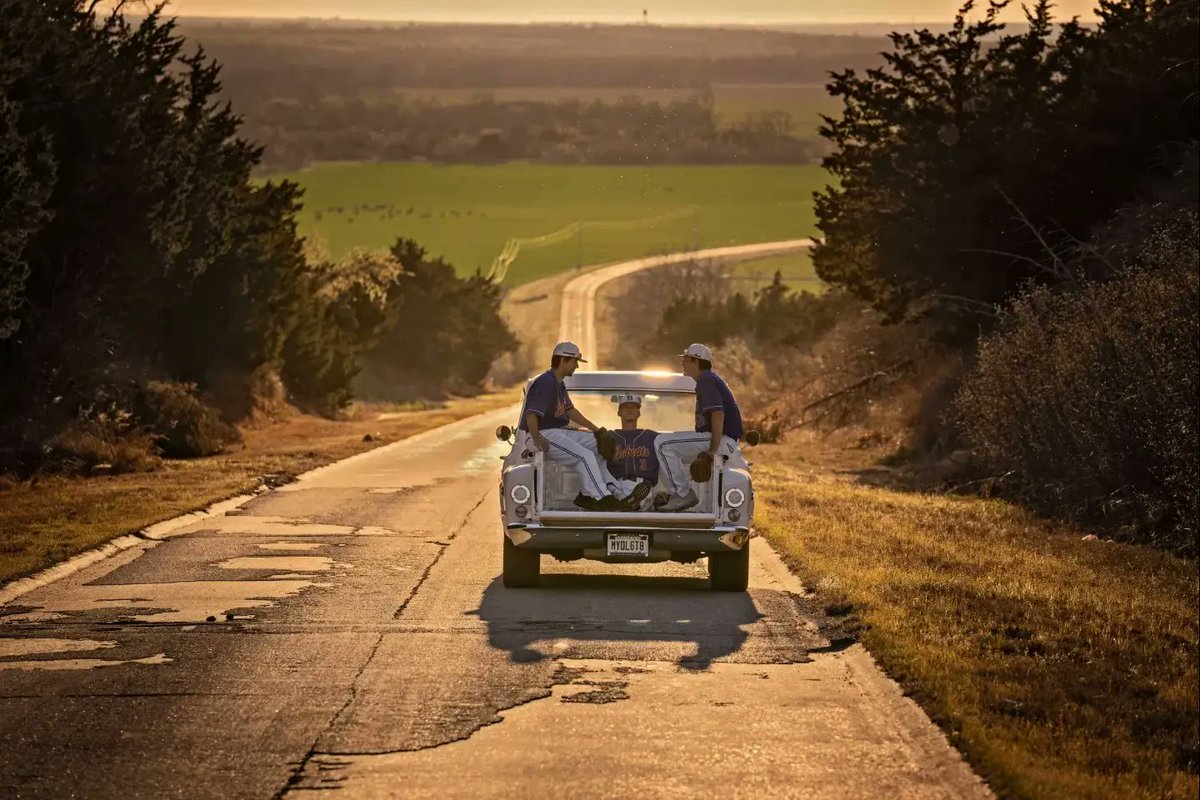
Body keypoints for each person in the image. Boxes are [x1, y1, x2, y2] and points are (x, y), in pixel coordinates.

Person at [519, 342, 643, 512]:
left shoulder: (558, 383)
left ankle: (591, 494)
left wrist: (596, 430)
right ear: (563, 360)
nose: (577, 366)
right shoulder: (544, 383)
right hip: (543, 433)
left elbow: (570, 411)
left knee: (598, 445)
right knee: (584, 456)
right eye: (575, 361)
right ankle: (601, 498)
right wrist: (536, 437)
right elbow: (531, 414)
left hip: (558, 432)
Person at [654, 343, 744, 512]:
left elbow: (718, 414)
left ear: (696, 361)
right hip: (724, 441)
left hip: (720, 440)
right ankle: (677, 496)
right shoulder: (708, 379)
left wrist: (712, 449)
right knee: (676, 456)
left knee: (661, 443)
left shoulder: (706, 379)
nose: (683, 363)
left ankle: (682, 495)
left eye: (686, 359)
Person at [604, 394, 658, 512]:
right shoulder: (609, 437)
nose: (630, 409)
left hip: (643, 488)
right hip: (615, 487)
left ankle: (631, 502)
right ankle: (627, 501)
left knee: (641, 511)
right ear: (619, 412)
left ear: (639, 413)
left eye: (634, 407)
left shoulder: (652, 437)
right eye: (625, 407)